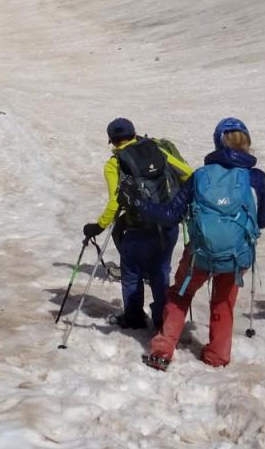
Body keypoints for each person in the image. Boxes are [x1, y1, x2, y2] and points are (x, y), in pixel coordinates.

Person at [138, 117, 265, 370]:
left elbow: (170, 215)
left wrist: (139, 204)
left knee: (181, 294)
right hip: (236, 256)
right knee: (224, 301)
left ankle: (163, 350)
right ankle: (218, 356)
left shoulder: (200, 176)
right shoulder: (256, 178)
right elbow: (264, 219)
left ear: (217, 142)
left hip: (198, 254)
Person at [82, 117, 191, 331]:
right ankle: (162, 320)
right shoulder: (157, 150)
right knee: (161, 271)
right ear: (134, 134)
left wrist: (99, 226)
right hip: (167, 225)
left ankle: (134, 317)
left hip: (137, 228)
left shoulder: (114, 163)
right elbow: (187, 173)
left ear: (112, 141)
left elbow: (115, 201)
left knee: (131, 273)